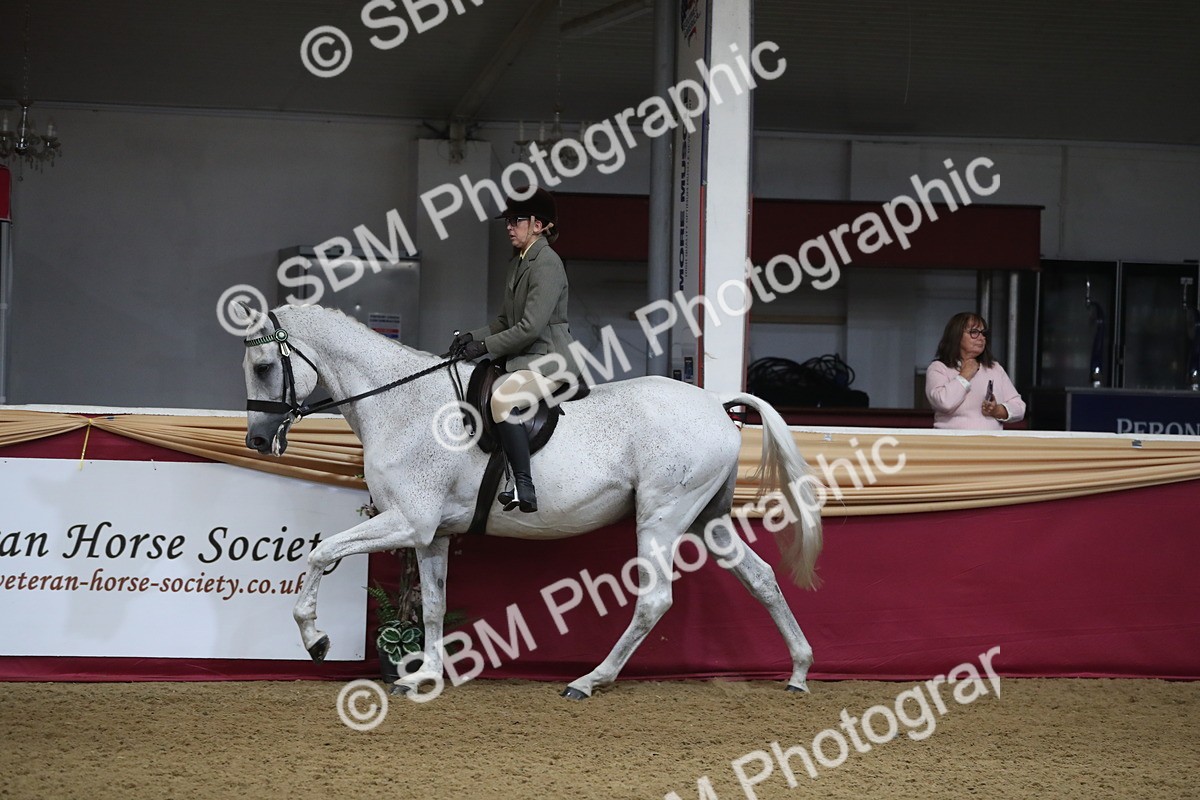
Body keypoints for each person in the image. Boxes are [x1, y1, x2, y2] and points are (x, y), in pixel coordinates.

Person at [448, 186, 581, 513]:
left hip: (549, 359)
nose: (509, 226)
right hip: (526, 356)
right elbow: (505, 321)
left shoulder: (547, 263)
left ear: (539, 225)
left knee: (503, 399)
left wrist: (484, 347)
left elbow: (530, 328)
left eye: (517, 220)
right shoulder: (519, 262)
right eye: (508, 220)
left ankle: (524, 485)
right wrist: (471, 336)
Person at [925, 312, 1025, 430]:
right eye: (974, 332)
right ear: (956, 336)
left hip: (990, 440)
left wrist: (996, 410)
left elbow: (1019, 408)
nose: (981, 338)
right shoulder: (939, 368)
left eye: (983, 333)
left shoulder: (994, 368)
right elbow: (944, 403)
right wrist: (965, 375)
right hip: (952, 440)